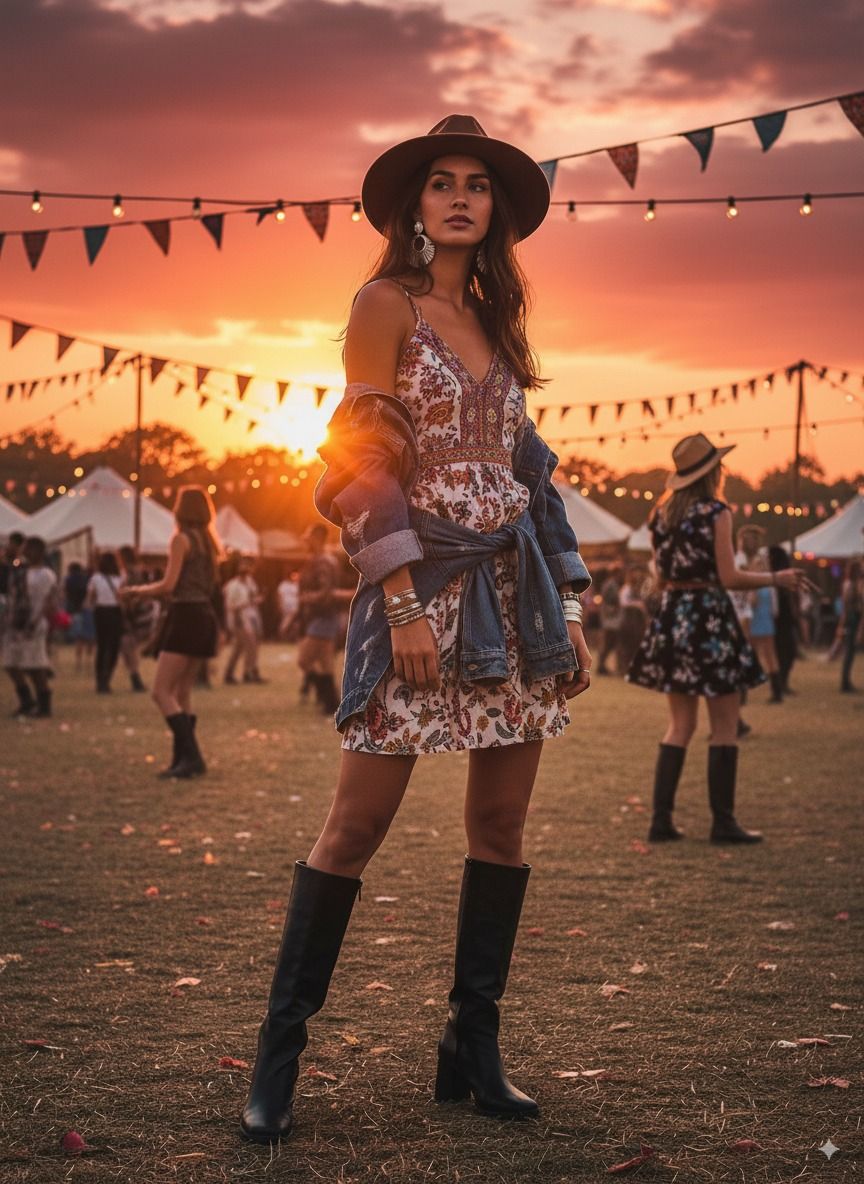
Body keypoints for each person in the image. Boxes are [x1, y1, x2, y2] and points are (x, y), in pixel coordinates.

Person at [240, 115, 592, 1144]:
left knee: (501, 828)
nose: (458, 196)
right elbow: (361, 454)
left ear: (495, 211)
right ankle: (277, 1055)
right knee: (355, 826)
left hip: (515, 600)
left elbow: (535, 479)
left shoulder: (499, 324)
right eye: (439, 182)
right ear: (413, 205)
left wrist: (568, 603)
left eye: (476, 184)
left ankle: (470, 1047)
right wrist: (397, 599)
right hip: (420, 588)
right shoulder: (381, 304)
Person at [627, 433, 803, 844]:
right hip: (709, 618)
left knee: (680, 726)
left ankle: (661, 820)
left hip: (674, 617)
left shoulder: (661, 515)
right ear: (713, 473)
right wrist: (777, 578)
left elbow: (662, 574)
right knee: (724, 725)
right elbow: (729, 577)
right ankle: (723, 823)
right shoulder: (717, 512)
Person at [120, 486, 221, 778]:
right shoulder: (209, 543)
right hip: (203, 617)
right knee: (182, 692)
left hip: (185, 616)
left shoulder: (181, 540)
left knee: (160, 692)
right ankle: (183, 761)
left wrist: (136, 591)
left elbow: (168, 585)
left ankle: (192, 757)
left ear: (180, 509)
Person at [3, 536, 58, 718]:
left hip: (34, 623)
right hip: (16, 622)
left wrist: (38, 619)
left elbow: (49, 600)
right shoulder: (20, 572)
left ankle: (44, 703)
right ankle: (26, 700)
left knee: (35, 666)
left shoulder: (46, 574)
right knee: (11, 663)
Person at [296, 525, 341, 712]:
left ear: (317, 538)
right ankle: (330, 702)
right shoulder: (322, 559)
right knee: (325, 663)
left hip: (323, 615)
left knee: (304, 660)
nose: (306, 542)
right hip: (323, 616)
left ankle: (328, 699)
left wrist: (308, 598)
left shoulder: (323, 561)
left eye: (309, 539)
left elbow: (326, 591)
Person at [222, 555, 266, 685]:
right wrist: (249, 602)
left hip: (251, 618)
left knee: (239, 648)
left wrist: (256, 600)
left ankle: (230, 674)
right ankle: (249, 673)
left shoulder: (250, 582)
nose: (247, 568)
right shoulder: (233, 585)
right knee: (250, 646)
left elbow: (253, 598)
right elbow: (231, 606)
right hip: (239, 619)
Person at [85, 552, 124, 694]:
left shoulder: (95, 578)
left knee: (102, 646)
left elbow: (90, 598)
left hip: (101, 612)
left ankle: (100, 680)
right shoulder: (120, 578)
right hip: (115, 612)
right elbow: (122, 598)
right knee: (114, 647)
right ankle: (107, 679)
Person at [748, 554, 784, 703]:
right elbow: (775, 610)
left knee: (762, 657)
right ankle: (776, 691)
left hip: (758, 622)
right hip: (765, 622)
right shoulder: (771, 587)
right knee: (767, 657)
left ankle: (775, 691)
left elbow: (752, 603)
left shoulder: (756, 585)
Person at [118, 545, 152, 692]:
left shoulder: (132, 573)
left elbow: (134, 595)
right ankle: (134, 677)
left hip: (136, 616)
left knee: (128, 646)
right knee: (128, 647)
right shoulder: (136, 571)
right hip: (138, 614)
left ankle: (135, 677)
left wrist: (127, 604)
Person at [837, 558, 863, 692]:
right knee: (849, 653)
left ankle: (846, 682)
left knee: (850, 653)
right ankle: (845, 683)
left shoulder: (851, 584)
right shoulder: (852, 586)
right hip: (852, 621)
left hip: (853, 620)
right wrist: (841, 626)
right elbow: (846, 609)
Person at [596, 568, 622, 675]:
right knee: (607, 642)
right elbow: (608, 600)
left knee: (610, 642)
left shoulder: (612, 584)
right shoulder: (610, 584)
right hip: (609, 618)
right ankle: (601, 666)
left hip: (611, 617)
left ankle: (602, 665)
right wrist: (612, 608)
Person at [276, 567, 301, 640]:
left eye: (297, 575)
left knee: (295, 625)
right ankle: (281, 637)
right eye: (294, 575)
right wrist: (279, 605)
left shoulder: (298, 585)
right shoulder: (284, 584)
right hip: (286, 608)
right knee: (285, 623)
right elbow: (279, 596)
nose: (295, 577)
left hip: (296, 608)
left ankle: (292, 638)